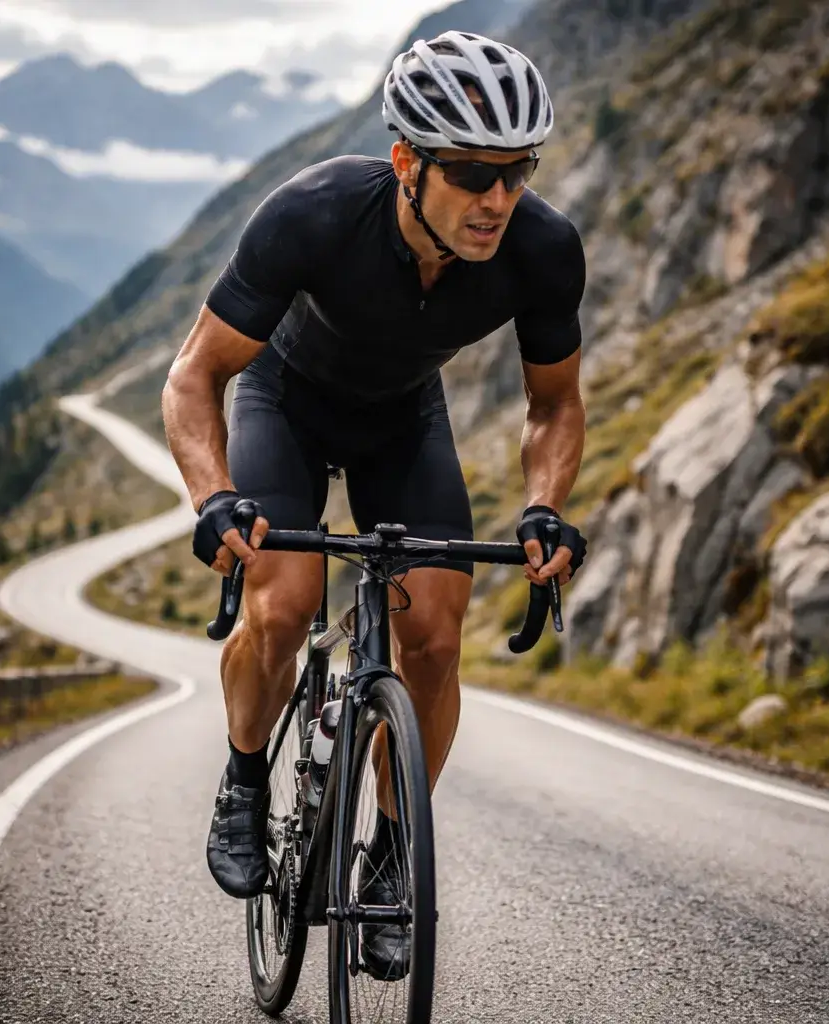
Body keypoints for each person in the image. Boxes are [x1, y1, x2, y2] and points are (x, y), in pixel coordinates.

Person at [161, 30, 587, 979]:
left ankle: (393, 853)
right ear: (408, 161)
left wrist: (544, 506)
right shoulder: (311, 214)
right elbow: (196, 376)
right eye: (474, 173)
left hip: (404, 421)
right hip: (285, 402)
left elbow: (554, 404)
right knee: (282, 605)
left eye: (517, 172)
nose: (498, 199)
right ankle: (241, 781)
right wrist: (214, 496)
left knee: (434, 634)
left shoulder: (543, 249)